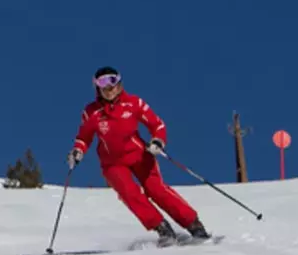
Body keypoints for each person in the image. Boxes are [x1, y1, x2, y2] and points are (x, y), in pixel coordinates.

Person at [67, 67, 211, 245]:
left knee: (156, 190)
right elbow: (84, 137)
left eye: (112, 81)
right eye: (102, 83)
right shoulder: (92, 112)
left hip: (140, 155)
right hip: (113, 164)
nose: (109, 87)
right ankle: (162, 228)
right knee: (129, 192)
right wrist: (78, 150)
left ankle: (194, 225)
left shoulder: (134, 103)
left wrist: (158, 141)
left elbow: (157, 125)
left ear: (119, 83)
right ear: (97, 87)